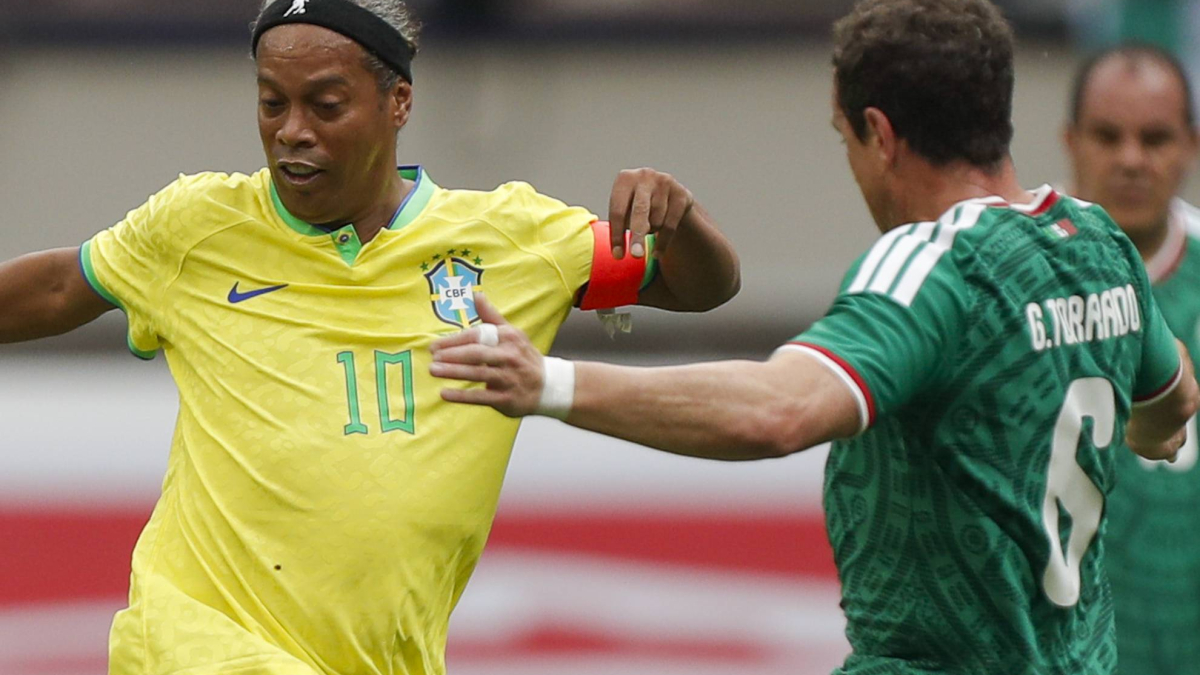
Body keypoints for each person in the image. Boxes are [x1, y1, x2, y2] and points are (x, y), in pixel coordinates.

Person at [429, 1, 1200, 673]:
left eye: (845, 139)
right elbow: (1172, 404)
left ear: (879, 132)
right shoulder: (1097, 243)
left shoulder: (933, 265)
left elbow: (778, 410)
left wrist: (551, 383)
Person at [0, 0, 742, 673]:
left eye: (326, 104)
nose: (292, 130)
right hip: (197, 641)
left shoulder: (515, 237)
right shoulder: (196, 227)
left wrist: (683, 219)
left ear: (399, 102)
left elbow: (702, 286)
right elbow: (62, 287)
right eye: (271, 103)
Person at [1065, 43, 1200, 675]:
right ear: (1070, 141)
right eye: (1107, 136)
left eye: (1154, 138)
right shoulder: (1008, 274)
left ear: (1191, 146)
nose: (1130, 159)